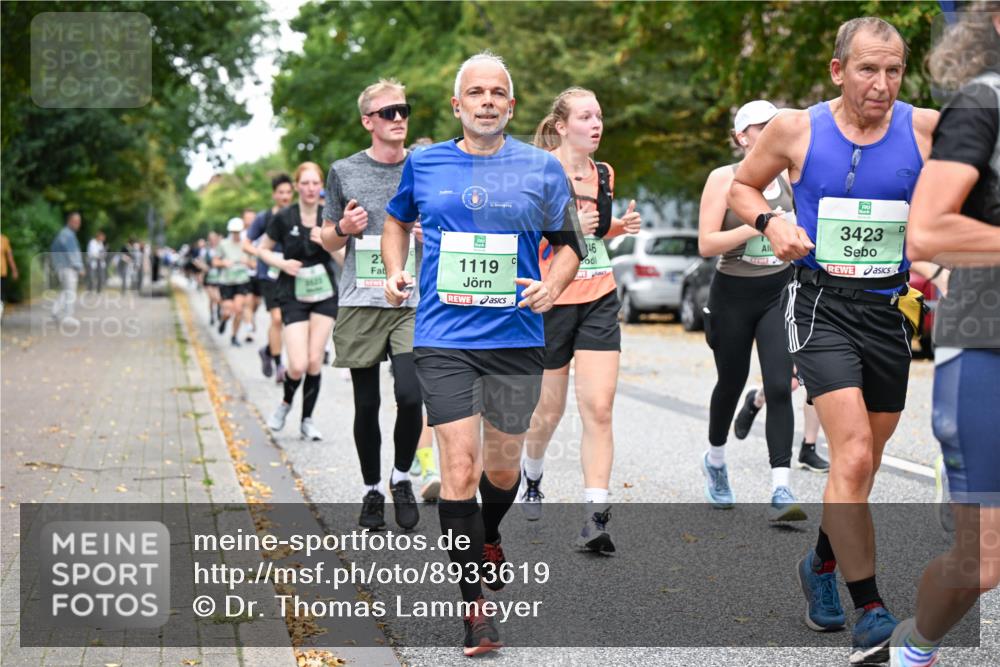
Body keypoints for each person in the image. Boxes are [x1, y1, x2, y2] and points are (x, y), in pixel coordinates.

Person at [727, 17, 940, 664]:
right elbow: (741, 185)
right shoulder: (796, 128)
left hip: (890, 310)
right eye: (868, 69)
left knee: (861, 466)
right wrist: (771, 221)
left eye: (894, 70)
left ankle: (820, 562)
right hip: (820, 304)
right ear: (838, 70)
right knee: (850, 452)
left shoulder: (925, 130)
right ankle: (871, 610)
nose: (882, 84)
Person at [381, 51, 585, 657]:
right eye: (476, 92)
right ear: (457, 105)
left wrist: (553, 286)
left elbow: (569, 243)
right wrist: (395, 270)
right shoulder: (424, 163)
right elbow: (396, 222)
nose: (487, 101)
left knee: (501, 469)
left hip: (516, 337)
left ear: (511, 106)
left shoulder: (541, 168)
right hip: (443, 339)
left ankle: (488, 532)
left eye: (497, 93)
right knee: (460, 469)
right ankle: (475, 609)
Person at [890, 4, 1000, 665]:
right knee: (981, 563)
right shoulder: (983, 104)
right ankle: (913, 646)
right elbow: (928, 230)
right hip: (988, 346)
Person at [519, 86, 641, 552]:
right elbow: (525, 237)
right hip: (552, 299)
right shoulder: (537, 170)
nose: (596, 124)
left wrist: (618, 227)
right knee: (547, 412)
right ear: (561, 125)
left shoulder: (603, 173)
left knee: (599, 407)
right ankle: (532, 472)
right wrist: (569, 230)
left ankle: (595, 516)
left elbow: (596, 231)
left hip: (599, 296)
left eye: (599, 116)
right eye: (586, 117)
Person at [319, 78, 423, 530]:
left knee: (411, 394)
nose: (398, 118)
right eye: (388, 112)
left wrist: (429, 232)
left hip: (411, 298)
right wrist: (343, 227)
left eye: (403, 110)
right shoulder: (344, 171)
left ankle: (401, 477)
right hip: (361, 298)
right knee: (366, 405)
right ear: (368, 122)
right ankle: (372, 490)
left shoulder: (423, 165)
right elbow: (327, 237)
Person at [698, 100, 808, 521]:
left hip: (777, 291)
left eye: (775, 124)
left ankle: (781, 486)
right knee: (731, 382)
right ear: (742, 136)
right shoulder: (723, 178)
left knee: (780, 385)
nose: (771, 131)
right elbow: (706, 244)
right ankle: (715, 461)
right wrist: (759, 224)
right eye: (762, 126)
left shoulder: (790, 177)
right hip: (732, 294)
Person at [258, 162, 339, 442]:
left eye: (315, 183)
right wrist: (282, 263)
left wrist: (328, 242)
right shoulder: (284, 217)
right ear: (296, 186)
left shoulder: (330, 216)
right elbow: (262, 249)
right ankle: (285, 404)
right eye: (305, 183)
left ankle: (307, 420)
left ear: (321, 186)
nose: (310, 188)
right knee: (297, 364)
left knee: (315, 361)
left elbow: (346, 259)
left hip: (324, 293)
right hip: (292, 293)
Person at [245, 174, 294, 384]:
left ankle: (267, 350)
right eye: (281, 192)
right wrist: (264, 254)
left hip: (290, 273)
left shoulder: (297, 215)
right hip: (268, 274)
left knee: (288, 320)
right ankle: (279, 365)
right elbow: (246, 244)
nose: (285, 196)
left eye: (288, 192)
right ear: (274, 194)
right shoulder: (264, 218)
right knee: (276, 318)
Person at [214, 217, 253, 347]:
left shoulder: (246, 245)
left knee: (238, 309)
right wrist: (223, 263)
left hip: (241, 280)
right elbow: (215, 261)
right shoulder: (223, 244)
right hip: (226, 281)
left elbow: (254, 264)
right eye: (233, 232)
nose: (236, 234)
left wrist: (247, 262)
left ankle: (234, 336)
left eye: (238, 232)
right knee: (228, 311)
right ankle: (223, 320)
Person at [50, 211, 84, 325]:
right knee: (70, 292)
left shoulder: (63, 233)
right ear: (69, 221)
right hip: (68, 267)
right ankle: (67, 316)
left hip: (62, 266)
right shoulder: (68, 234)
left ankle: (55, 312)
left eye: (79, 222)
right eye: (76, 221)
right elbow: (72, 253)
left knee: (65, 291)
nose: (78, 224)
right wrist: (79, 267)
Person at [241, 207, 261, 343]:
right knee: (248, 302)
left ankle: (251, 317)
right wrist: (247, 262)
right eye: (247, 218)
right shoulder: (241, 235)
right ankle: (248, 331)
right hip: (245, 274)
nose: (250, 221)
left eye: (252, 218)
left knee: (257, 303)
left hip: (259, 274)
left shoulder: (261, 234)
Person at [1, 232, 19, 317]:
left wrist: (14, 270)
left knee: (1, 296)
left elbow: (9, 257)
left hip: (1, 273)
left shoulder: (4, 240)